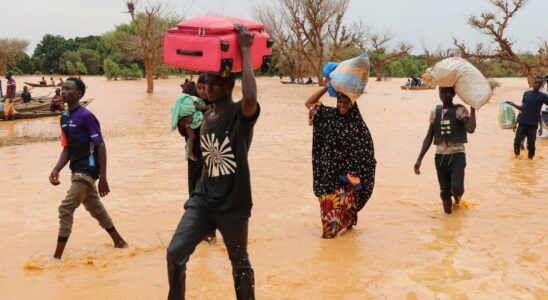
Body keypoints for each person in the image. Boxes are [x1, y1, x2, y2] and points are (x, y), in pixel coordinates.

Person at [166, 24, 259, 300]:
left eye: (216, 81)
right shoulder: (206, 116)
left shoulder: (239, 116)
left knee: (239, 264)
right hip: (204, 199)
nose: (209, 86)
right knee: (174, 253)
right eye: (206, 82)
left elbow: (251, 97)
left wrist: (244, 48)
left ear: (231, 83)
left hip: (234, 204)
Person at [49, 77, 127, 259]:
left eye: (68, 88)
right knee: (96, 209)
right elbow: (67, 148)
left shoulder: (86, 116)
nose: (64, 91)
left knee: (65, 208)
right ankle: (119, 242)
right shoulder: (64, 118)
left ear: (79, 94)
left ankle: (57, 258)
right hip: (75, 170)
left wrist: (104, 178)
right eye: (62, 88)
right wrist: (56, 169)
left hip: (87, 171)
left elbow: (100, 145)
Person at [304, 86, 376, 238]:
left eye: (346, 102)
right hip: (328, 181)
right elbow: (308, 103)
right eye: (339, 101)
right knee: (328, 231)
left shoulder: (358, 126)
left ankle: (344, 258)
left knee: (345, 227)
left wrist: (356, 175)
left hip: (346, 184)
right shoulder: (328, 115)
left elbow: (367, 154)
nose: (342, 105)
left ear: (352, 103)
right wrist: (327, 87)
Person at [414, 87, 476, 214]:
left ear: (453, 93)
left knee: (457, 188)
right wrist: (419, 159)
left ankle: (458, 200)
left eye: (448, 92)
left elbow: (470, 129)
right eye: (442, 91)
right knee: (444, 192)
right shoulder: (435, 112)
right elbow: (428, 137)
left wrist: (473, 108)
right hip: (440, 157)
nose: (445, 94)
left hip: (457, 155)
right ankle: (448, 224)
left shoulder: (460, 110)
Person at [506, 76, 548, 159]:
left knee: (531, 146)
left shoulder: (543, 96)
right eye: (536, 82)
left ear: (541, 85)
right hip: (522, 123)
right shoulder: (526, 94)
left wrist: (541, 127)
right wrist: (512, 104)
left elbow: (540, 114)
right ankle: (517, 159)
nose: (537, 84)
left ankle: (530, 162)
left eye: (539, 83)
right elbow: (522, 109)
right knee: (516, 143)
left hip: (533, 126)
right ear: (533, 83)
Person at [171, 81, 206, 162]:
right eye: (199, 88)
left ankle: (189, 151)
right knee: (192, 136)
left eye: (205, 88)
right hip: (196, 157)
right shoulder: (191, 99)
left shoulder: (185, 99)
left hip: (209, 154)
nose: (202, 91)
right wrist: (181, 120)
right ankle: (190, 152)